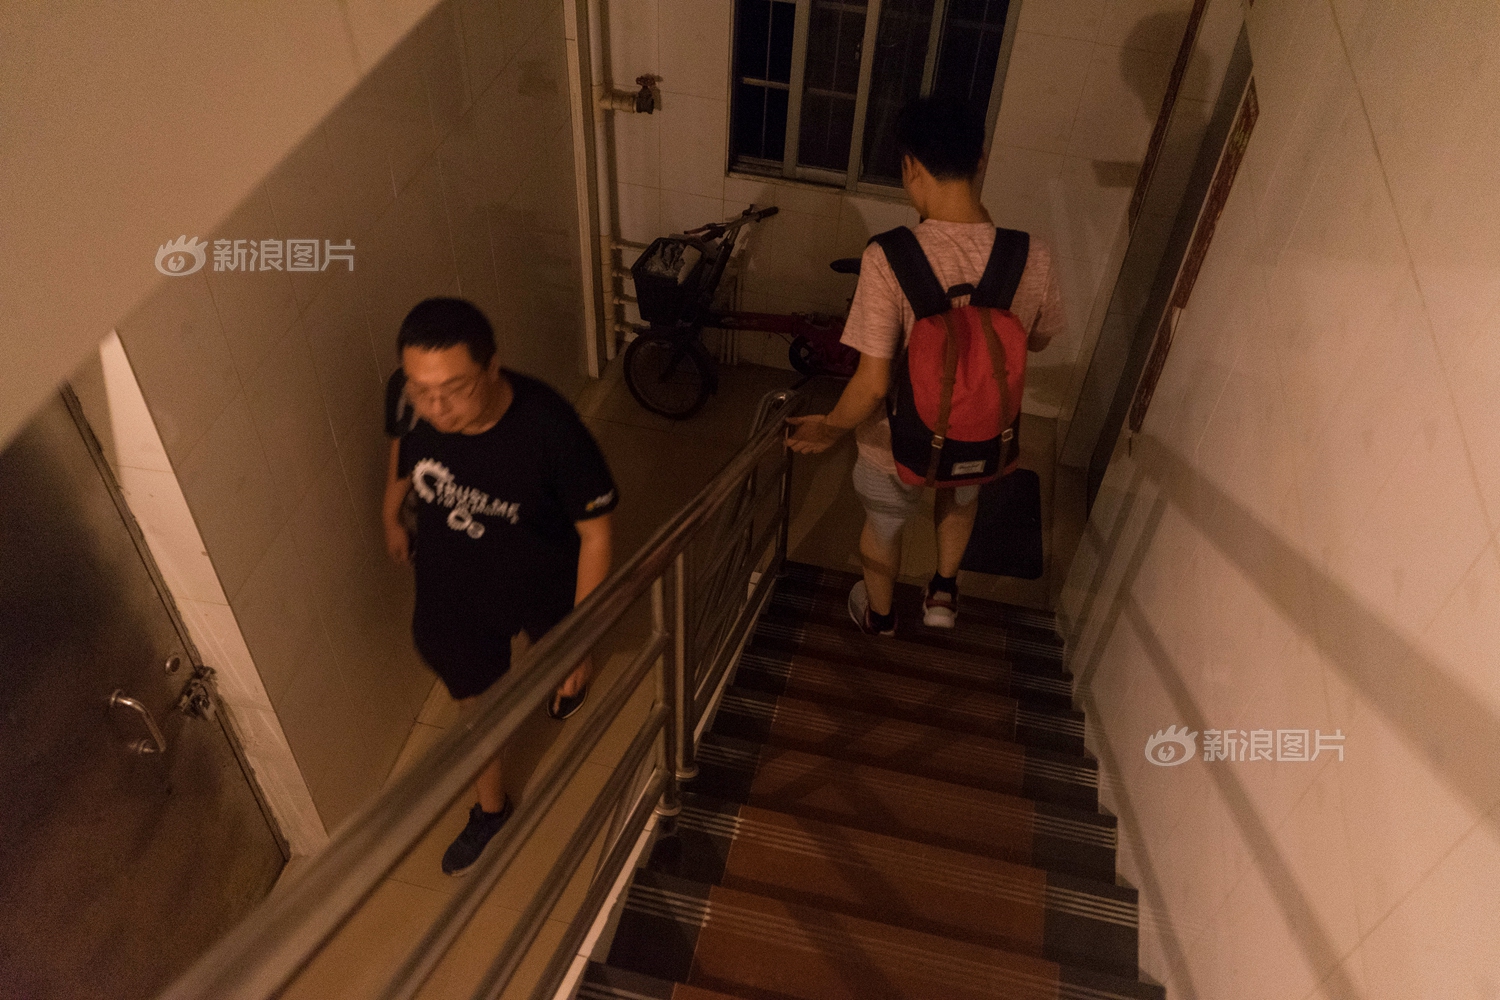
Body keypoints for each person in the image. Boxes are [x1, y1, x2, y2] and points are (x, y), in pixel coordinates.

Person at [785, 96, 1064, 635]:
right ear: (980, 160)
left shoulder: (887, 257)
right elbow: (1038, 343)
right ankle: (941, 596)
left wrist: (831, 427)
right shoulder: (1033, 254)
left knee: (884, 524)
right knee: (961, 498)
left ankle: (881, 617)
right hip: (984, 433)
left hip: (896, 444)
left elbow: (872, 384)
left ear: (910, 165)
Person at [380, 297, 617, 876]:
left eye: (454, 389)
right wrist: (391, 510)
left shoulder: (551, 430)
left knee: (555, 653)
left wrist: (577, 645)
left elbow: (596, 534)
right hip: (453, 581)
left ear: (492, 367)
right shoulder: (412, 396)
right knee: (475, 711)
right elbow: (404, 445)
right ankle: (491, 810)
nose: (436, 408)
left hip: (542, 572)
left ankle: (564, 674)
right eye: (421, 390)